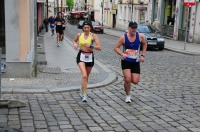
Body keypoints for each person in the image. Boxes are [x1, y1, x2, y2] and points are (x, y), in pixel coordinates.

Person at [114, 21, 147, 103]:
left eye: (135, 28)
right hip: (126, 60)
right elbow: (116, 48)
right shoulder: (123, 37)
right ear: (128, 28)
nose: (134, 29)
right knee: (128, 79)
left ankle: (126, 80)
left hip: (135, 61)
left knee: (135, 81)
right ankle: (128, 95)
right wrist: (122, 54)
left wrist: (143, 55)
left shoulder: (140, 37)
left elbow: (145, 44)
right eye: (132, 28)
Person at [72, 21, 102, 102]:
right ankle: (84, 95)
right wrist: (75, 45)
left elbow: (99, 47)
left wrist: (91, 46)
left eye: (88, 28)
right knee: (84, 75)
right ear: (83, 28)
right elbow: (74, 41)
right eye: (84, 28)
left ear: (90, 28)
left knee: (86, 77)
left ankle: (83, 87)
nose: (86, 29)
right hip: (81, 56)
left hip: (90, 57)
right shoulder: (79, 35)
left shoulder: (93, 36)